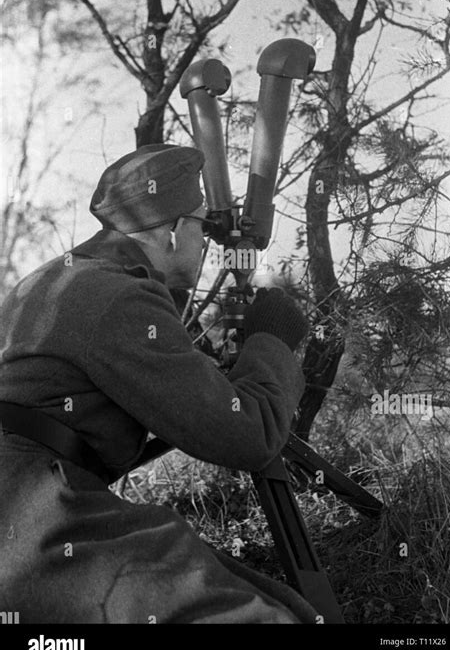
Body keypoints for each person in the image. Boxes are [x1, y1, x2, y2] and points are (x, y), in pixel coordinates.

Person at [0, 143, 315, 624]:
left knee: (277, 603)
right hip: (26, 511)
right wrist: (271, 338)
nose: (206, 243)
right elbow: (248, 435)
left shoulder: (49, 282)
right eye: (203, 227)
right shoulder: (120, 297)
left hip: (28, 498)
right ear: (171, 232)